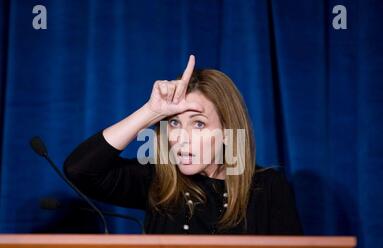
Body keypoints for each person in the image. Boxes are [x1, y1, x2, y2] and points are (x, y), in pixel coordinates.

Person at [63, 55, 303, 235]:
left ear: (228, 133)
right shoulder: (158, 181)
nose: (180, 137)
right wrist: (150, 112)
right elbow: (80, 170)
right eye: (174, 123)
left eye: (198, 124)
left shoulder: (267, 187)